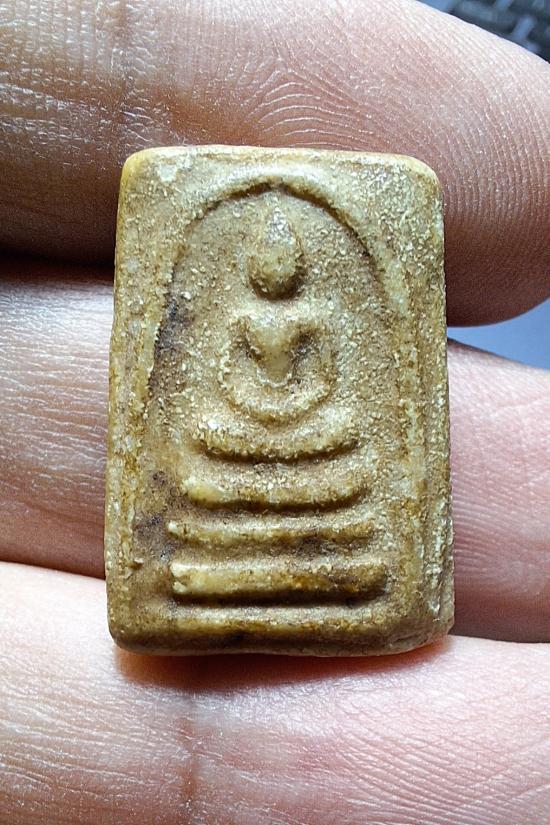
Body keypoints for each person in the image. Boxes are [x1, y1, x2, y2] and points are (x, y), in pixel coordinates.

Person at [0, 0, 549, 822]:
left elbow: (323, 387)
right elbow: (225, 385)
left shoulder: (313, 320)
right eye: (264, 258)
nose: (274, 269)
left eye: (284, 258)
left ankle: (314, 571)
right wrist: (253, 415)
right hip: (244, 431)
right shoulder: (244, 320)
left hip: (308, 433)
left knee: (338, 453)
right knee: (203, 455)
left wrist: (299, 415)